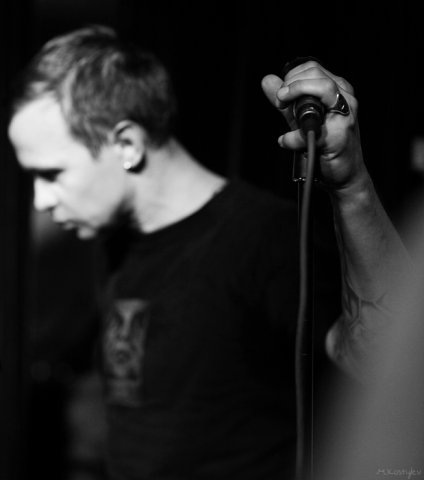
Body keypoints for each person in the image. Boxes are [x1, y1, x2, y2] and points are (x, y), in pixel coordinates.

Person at [7, 25, 412, 480]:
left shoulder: (261, 237)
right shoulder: (116, 241)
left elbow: (381, 362)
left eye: (52, 174)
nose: (40, 200)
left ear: (127, 144)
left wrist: (352, 187)